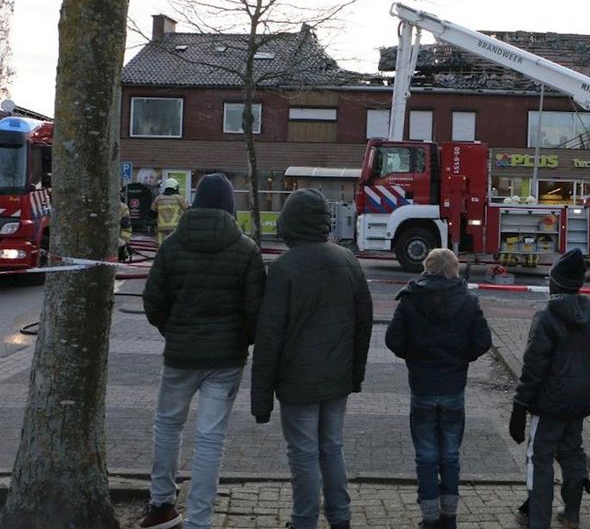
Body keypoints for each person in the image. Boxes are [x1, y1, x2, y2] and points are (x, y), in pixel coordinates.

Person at [138, 172, 266, 529]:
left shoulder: (172, 245)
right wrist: (240, 340)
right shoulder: (246, 249)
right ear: (229, 205)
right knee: (211, 438)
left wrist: (172, 331)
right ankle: (200, 520)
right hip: (225, 360)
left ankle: (161, 504)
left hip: (179, 355)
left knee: (167, 426)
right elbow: (256, 310)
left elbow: (153, 302)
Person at [251, 189, 373, 529]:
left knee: (303, 452)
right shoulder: (348, 261)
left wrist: (261, 401)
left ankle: (304, 520)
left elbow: (269, 337)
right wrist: (355, 375)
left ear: (289, 222)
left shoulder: (284, 269)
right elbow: (364, 323)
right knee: (331, 447)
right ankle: (340, 518)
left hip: (297, 383)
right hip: (337, 379)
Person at [386, 248, 492, 529]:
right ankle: (450, 517)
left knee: (426, 455)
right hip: (453, 386)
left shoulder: (411, 298)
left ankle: (429, 518)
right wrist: (461, 358)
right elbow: (482, 341)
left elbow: (393, 340)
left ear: (427, 267)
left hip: (422, 385)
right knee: (450, 454)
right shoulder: (468, 300)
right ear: (454, 269)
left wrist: (415, 355)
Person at [510, 249, 590, 529]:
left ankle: (538, 520)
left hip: (549, 403)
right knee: (572, 453)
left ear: (555, 283)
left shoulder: (546, 318)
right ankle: (571, 514)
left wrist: (519, 404)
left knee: (539, 459)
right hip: (579, 402)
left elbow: (533, 367)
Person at [152, 177, 189, 246]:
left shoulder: (158, 198)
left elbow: (152, 213)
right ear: (175, 187)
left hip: (161, 228)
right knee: (174, 247)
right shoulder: (179, 198)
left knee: (161, 248)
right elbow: (188, 211)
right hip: (175, 228)